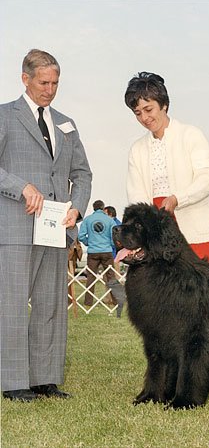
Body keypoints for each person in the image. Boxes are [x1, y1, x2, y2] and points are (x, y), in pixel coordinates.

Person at [0, 49, 92, 402]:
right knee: (10, 305)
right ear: (25, 79)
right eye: (43, 82)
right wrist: (20, 186)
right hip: (14, 227)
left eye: (55, 83)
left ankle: (45, 379)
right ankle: (12, 383)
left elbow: (82, 173)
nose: (50, 90)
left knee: (51, 305)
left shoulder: (67, 124)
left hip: (56, 230)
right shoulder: (6, 116)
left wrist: (77, 210)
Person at [124, 72, 209, 271]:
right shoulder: (136, 149)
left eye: (148, 109)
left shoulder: (191, 135)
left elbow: (206, 180)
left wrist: (177, 199)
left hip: (194, 228)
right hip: (156, 234)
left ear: (164, 105)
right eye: (137, 113)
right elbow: (136, 195)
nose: (144, 118)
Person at [78, 200, 119, 307]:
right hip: (107, 251)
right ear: (103, 208)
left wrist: (89, 243)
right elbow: (114, 235)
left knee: (91, 277)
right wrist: (110, 244)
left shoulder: (87, 219)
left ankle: (88, 302)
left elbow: (81, 236)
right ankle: (115, 300)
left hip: (93, 252)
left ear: (93, 208)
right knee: (111, 276)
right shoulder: (109, 220)